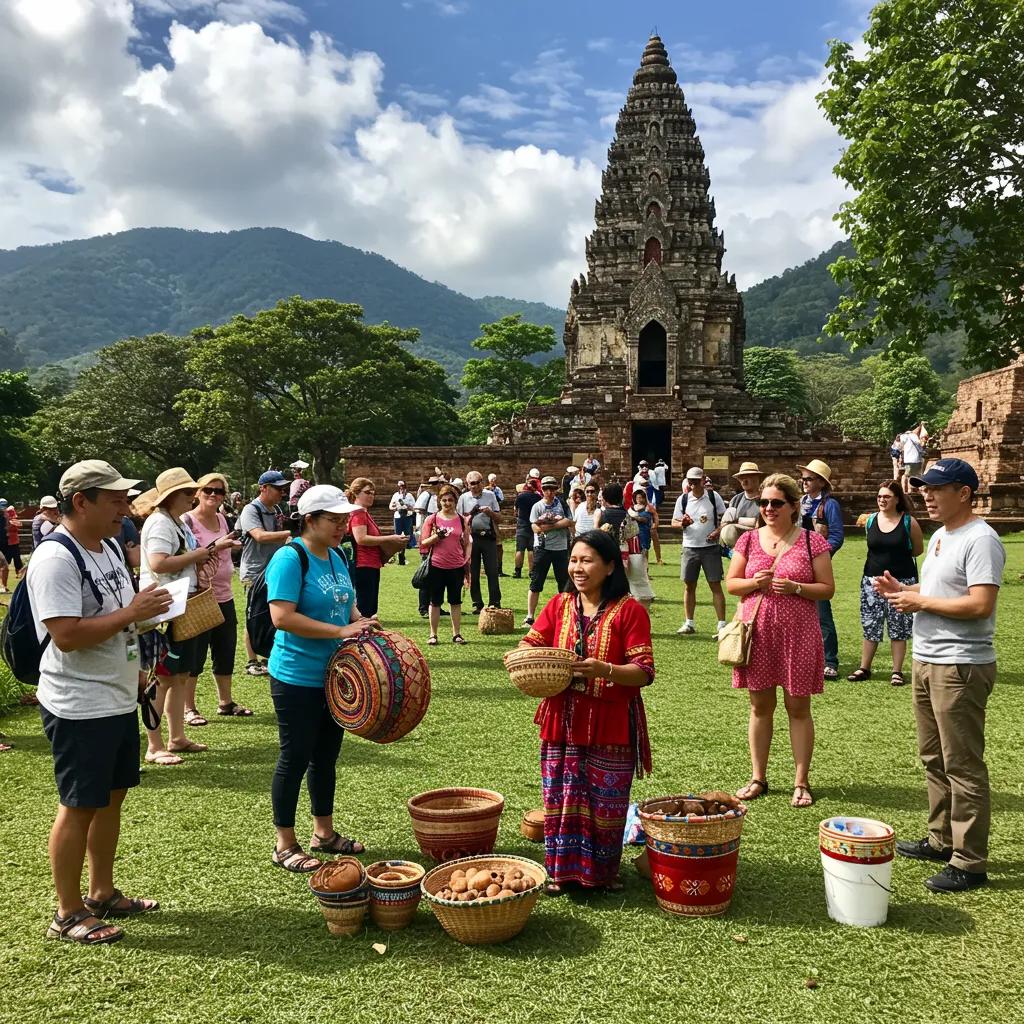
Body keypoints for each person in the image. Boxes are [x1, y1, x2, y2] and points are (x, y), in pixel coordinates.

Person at [28, 460, 173, 944]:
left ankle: (102, 891)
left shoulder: (108, 547)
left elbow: (119, 618)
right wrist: (133, 612)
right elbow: (66, 635)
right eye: (115, 500)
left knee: (111, 798)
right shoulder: (55, 558)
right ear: (81, 502)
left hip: (114, 695)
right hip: (77, 702)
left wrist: (136, 655)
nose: (125, 509)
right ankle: (67, 913)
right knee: (79, 804)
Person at [878, 458, 1006, 893]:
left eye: (936, 488)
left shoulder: (980, 539)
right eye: (923, 488)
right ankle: (941, 839)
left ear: (964, 493)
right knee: (934, 757)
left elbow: (979, 605)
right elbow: (938, 592)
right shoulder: (940, 536)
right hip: (927, 658)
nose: (926, 495)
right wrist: (905, 591)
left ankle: (969, 860)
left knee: (962, 763)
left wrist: (921, 604)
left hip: (960, 665)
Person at [518, 528, 654, 895]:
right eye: (574, 560)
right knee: (560, 798)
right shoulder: (559, 606)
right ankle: (561, 874)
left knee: (604, 806)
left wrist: (604, 670)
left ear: (610, 566)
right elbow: (533, 642)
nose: (578, 568)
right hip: (561, 717)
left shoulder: (630, 611)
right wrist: (524, 653)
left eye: (587, 560)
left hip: (609, 722)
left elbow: (643, 672)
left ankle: (600, 875)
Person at [266, 485, 375, 872]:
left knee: (326, 756)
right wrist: (339, 633)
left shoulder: (337, 555)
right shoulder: (289, 558)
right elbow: (282, 617)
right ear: (309, 519)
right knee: (295, 756)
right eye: (334, 520)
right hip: (296, 675)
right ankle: (285, 844)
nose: (342, 526)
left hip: (334, 676)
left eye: (345, 520)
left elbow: (345, 605)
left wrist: (360, 622)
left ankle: (323, 834)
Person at [726, 473, 835, 809]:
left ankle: (801, 780)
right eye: (764, 503)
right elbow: (732, 584)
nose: (769, 509)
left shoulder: (811, 542)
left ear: (793, 506)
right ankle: (758, 776)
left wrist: (796, 588)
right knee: (760, 707)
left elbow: (827, 588)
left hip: (798, 634)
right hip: (757, 633)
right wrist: (754, 583)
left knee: (798, 708)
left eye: (776, 503)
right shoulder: (747, 541)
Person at [138, 468, 231, 765]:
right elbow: (159, 562)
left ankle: (176, 737)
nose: (194, 496)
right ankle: (154, 745)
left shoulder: (175, 522)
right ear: (171, 496)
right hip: (166, 608)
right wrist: (198, 555)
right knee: (163, 678)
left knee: (178, 677)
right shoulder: (161, 524)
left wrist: (200, 557)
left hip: (180, 605)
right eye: (188, 492)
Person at [182, 473, 249, 721]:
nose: (213, 495)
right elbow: (185, 557)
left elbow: (224, 547)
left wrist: (232, 546)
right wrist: (216, 547)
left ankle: (225, 701)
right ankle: (189, 708)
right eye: (208, 490)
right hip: (199, 596)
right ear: (197, 493)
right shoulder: (187, 521)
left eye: (219, 492)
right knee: (195, 654)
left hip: (224, 595)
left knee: (225, 650)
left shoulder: (222, 518)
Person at [848, 480, 923, 685]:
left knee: (899, 626)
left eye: (887, 497)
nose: (882, 500)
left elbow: (917, 549)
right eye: (880, 496)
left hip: (902, 580)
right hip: (872, 580)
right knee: (870, 623)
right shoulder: (871, 520)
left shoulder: (908, 522)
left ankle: (896, 671)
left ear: (897, 499)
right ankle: (865, 667)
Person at [239, 470, 292, 676]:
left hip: (275, 569)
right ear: (263, 488)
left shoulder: (276, 509)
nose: (282, 492)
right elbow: (259, 536)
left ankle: (267, 657)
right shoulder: (250, 510)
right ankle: (252, 661)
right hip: (255, 571)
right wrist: (291, 532)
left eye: (283, 488)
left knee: (273, 615)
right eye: (278, 488)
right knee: (254, 615)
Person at [798, 459, 844, 678]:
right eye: (803, 478)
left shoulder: (829, 505)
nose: (804, 482)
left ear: (821, 482)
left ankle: (830, 660)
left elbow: (836, 536)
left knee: (821, 614)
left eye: (809, 479)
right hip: (796, 564)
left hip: (816, 565)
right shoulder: (800, 502)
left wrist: (821, 555)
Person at [672, 466, 727, 637]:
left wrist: (717, 532)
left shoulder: (713, 496)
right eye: (691, 482)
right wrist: (683, 523)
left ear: (703, 480)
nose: (693, 485)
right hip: (690, 547)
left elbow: (725, 519)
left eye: (696, 482)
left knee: (715, 584)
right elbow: (674, 521)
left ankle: (721, 624)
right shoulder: (683, 499)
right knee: (689, 585)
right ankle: (689, 622)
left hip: (710, 547)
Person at [347, 477, 405, 619]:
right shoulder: (358, 512)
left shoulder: (364, 512)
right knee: (365, 609)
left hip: (371, 564)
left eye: (373, 493)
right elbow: (361, 539)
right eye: (367, 492)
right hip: (363, 564)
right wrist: (390, 538)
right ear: (356, 493)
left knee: (370, 608)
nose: (371, 496)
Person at [420, 485, 471, 645]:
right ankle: (433, 634)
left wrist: (467, 558)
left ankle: (457, 634)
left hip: (456, 565)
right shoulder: (432, 519)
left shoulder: (462, 520)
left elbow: (467, 542)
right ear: (439, 501)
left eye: (450, 500)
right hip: (437, 565)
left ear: (455, 502)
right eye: (444, 500)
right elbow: (423, 543)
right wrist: (436, 537)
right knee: (435, 601)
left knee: (455, 601)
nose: (447, 503)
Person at [525, 476, 573, 627]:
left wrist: (551, 526)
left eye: (552, 489)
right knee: (536, 582)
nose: (549, 492)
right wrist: (546, 527)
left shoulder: (562, 504)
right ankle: (530, 616)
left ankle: (566, 614)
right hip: (542, 548)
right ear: (542, 490)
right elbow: (535, 526)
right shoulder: (537, 506)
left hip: (560, 547)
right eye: (546, 489)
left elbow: (569, 521)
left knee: (564, 583)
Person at [457, 472, 501, 614]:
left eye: (478, 482)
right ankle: (477, 603)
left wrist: (490, 513)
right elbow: (459, 519)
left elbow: (499, 518)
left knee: (492, 570)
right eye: (472, 483)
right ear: (467, 484)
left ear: (482, 482)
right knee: (473, 572)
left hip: (488, 536)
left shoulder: (490, 495)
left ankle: (495, 601)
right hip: (471, 538)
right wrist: (470, 515)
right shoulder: (464, 498)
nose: (475, 486)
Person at [720, 462, 763, 550]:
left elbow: (764, 523)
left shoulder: (766, 498)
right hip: (739, 548)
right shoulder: (736, 500)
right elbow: (726, 523)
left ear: (757, 478)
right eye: (741, 478)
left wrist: (738, 521)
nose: (744, 481)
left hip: (761, 545)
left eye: (748, 477)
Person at [626, 490, 656, 608]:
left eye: (641, 497)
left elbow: (646, 519)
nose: (639, 499)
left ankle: (646, 591)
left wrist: (635, 517)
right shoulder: (631, 508)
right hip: (633, 538)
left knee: (643, 562)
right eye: (637, 497)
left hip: (643, 536)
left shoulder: (647, 509)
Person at [513, 481, 541, 579]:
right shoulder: (538, 497)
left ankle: (517, 571)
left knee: (519, 549)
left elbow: (515, 510)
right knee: (531, 550)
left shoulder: (520, 497)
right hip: (533, 523)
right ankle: (531, 572)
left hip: (522, 523)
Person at [388, 480, 416, 567]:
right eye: (400, 487)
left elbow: (414, 507)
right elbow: (390, 506)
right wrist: (395, 506)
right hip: (398, 516)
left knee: (407, 536)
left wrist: (407, 506)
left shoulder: (409, 496)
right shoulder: (395, 495)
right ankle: (400, 556)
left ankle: (403, 555)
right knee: (398, 536)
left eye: (403, 487)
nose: (401, 489)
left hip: (407, 516)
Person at [486, 474, 507, 576]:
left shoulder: (497, 490)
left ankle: (499, 569)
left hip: (494, 517)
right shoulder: (485, 491)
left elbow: (502, 501)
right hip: (485, 520)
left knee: (498, 545)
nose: (493, 481)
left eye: (494, 479)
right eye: (492, 480)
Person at [0, 497, 24, 584]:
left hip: (11, 541)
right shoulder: (3, 515)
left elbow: (18, 523)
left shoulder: (8, 513)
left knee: (15, 560)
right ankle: (3, 585)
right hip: (5, 542)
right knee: (5, 563)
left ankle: (18, 574)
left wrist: (10, 524)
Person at [900, 424, 928, 494]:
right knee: (915, 474)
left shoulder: (903, 436)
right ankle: (912, 489)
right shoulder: (913, 435)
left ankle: (905, 489)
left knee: (907, 474)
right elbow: (919, 444)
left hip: (907, 459)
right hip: (914, 458)